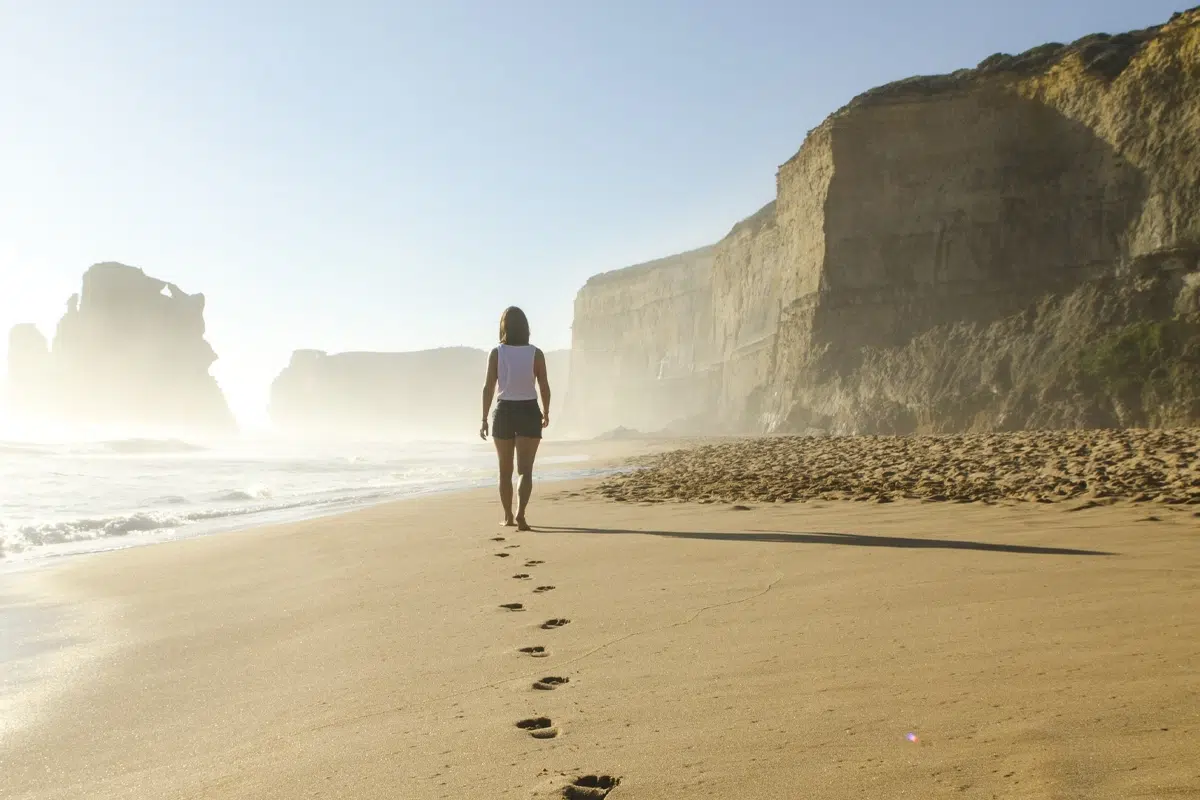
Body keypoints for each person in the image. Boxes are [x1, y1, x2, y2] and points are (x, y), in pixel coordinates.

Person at [480, 306, 550, 530]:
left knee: (505, 471)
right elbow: (544, 386)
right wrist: (546, 412)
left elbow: (488, 387)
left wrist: (483, 418)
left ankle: (508, 516)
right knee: (525, 470)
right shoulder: (535, 353)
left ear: (504, 327)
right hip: (529, 410)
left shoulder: (497, 353)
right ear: (526, 328)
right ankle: (521, 514)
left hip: (504, 412)